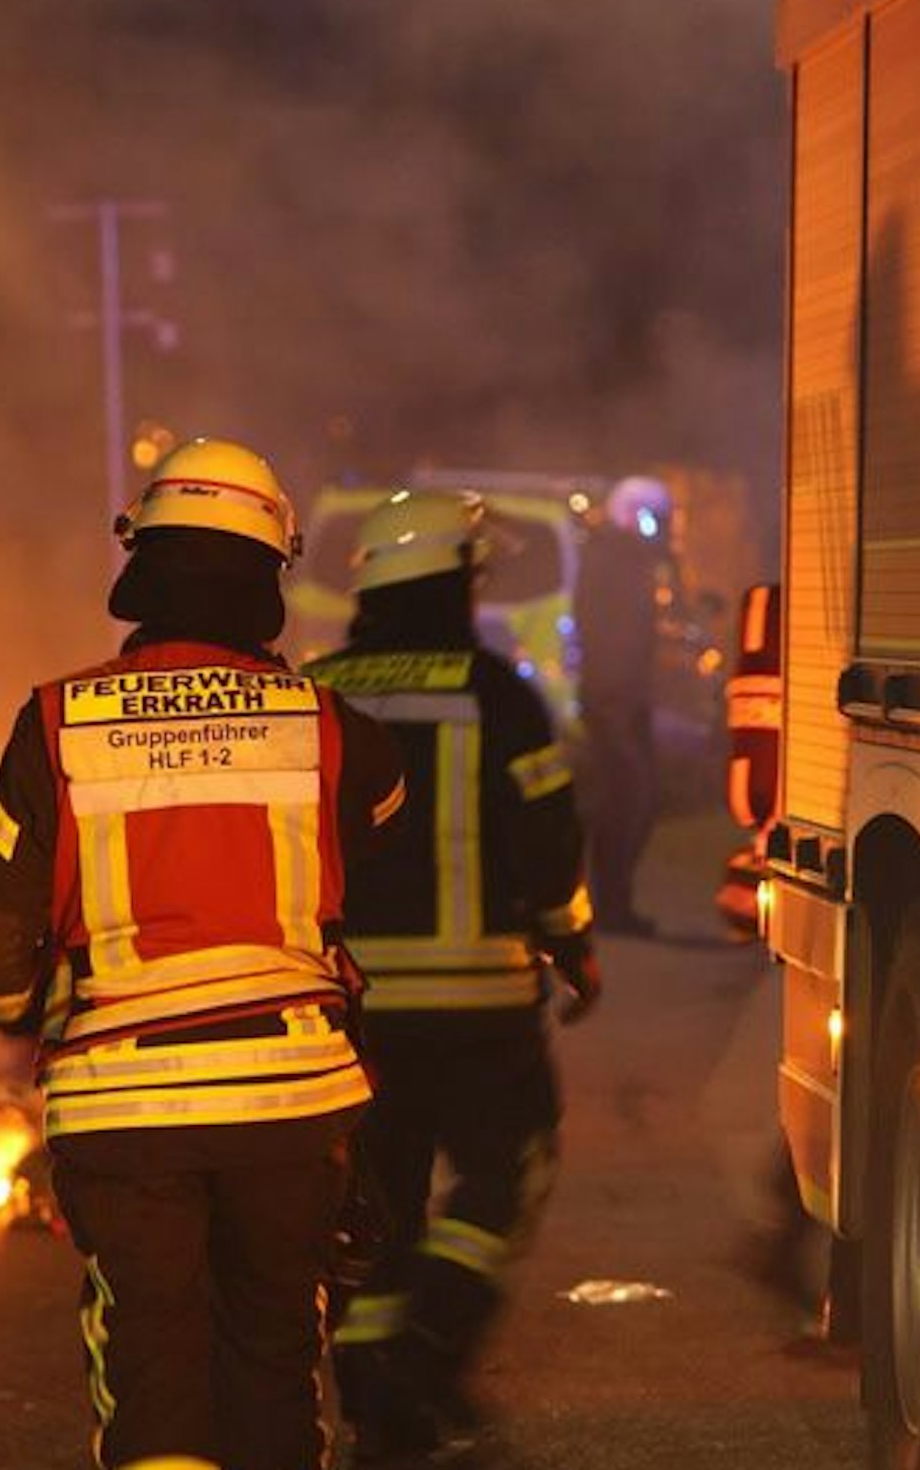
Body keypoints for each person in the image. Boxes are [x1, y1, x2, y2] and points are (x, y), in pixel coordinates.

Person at [0, 437, 406, 1470]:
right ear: (270, 573)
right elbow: (381, 829)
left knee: (153, 1377)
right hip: (291, 1101)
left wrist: (21, 1000)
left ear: (141, 561)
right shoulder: (324, 724)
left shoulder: (58, 722)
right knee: (271, 1364)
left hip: (126, 1108)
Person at [304, 487, 602, 1463]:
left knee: (372, 1204)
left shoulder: (317, 693)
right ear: (449, 584)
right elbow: (547, 840)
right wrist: (570, 943)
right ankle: (424, 1353)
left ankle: (371, 1387)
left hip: (349, 1010)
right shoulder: (500, 693)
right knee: (504, 1174)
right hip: (478, 1006)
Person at [570, 473, 673, 937]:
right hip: (613, 698)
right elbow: (610, 634)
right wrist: (618, 695)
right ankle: (610, 906)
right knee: (627, 799)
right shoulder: (611, 559)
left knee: (631, 800)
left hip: (623, 697)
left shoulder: (624, 558)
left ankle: (613, 904)